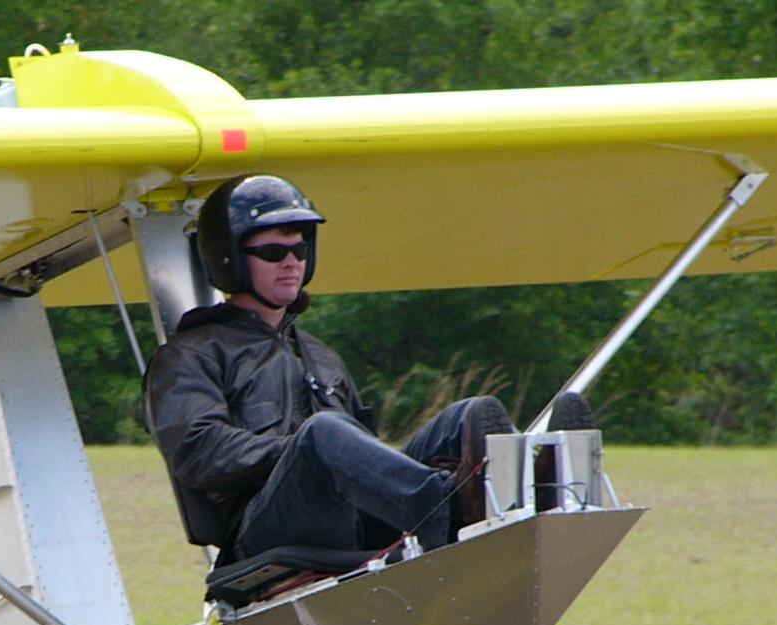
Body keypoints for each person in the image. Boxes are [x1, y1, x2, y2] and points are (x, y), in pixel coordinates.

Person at [145, 175, 592, 566]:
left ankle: (540, 494)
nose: (291, 262)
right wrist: (305, 451)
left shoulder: (321, 356)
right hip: (264, 529)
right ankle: (449, 504)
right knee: (323, 432)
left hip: (349, 518)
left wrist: (338, 453)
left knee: (469, 415)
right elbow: (201, 452)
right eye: (274, 251)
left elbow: (365, 448)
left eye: (299, 248)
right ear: (229, 257)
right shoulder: (189, 355)